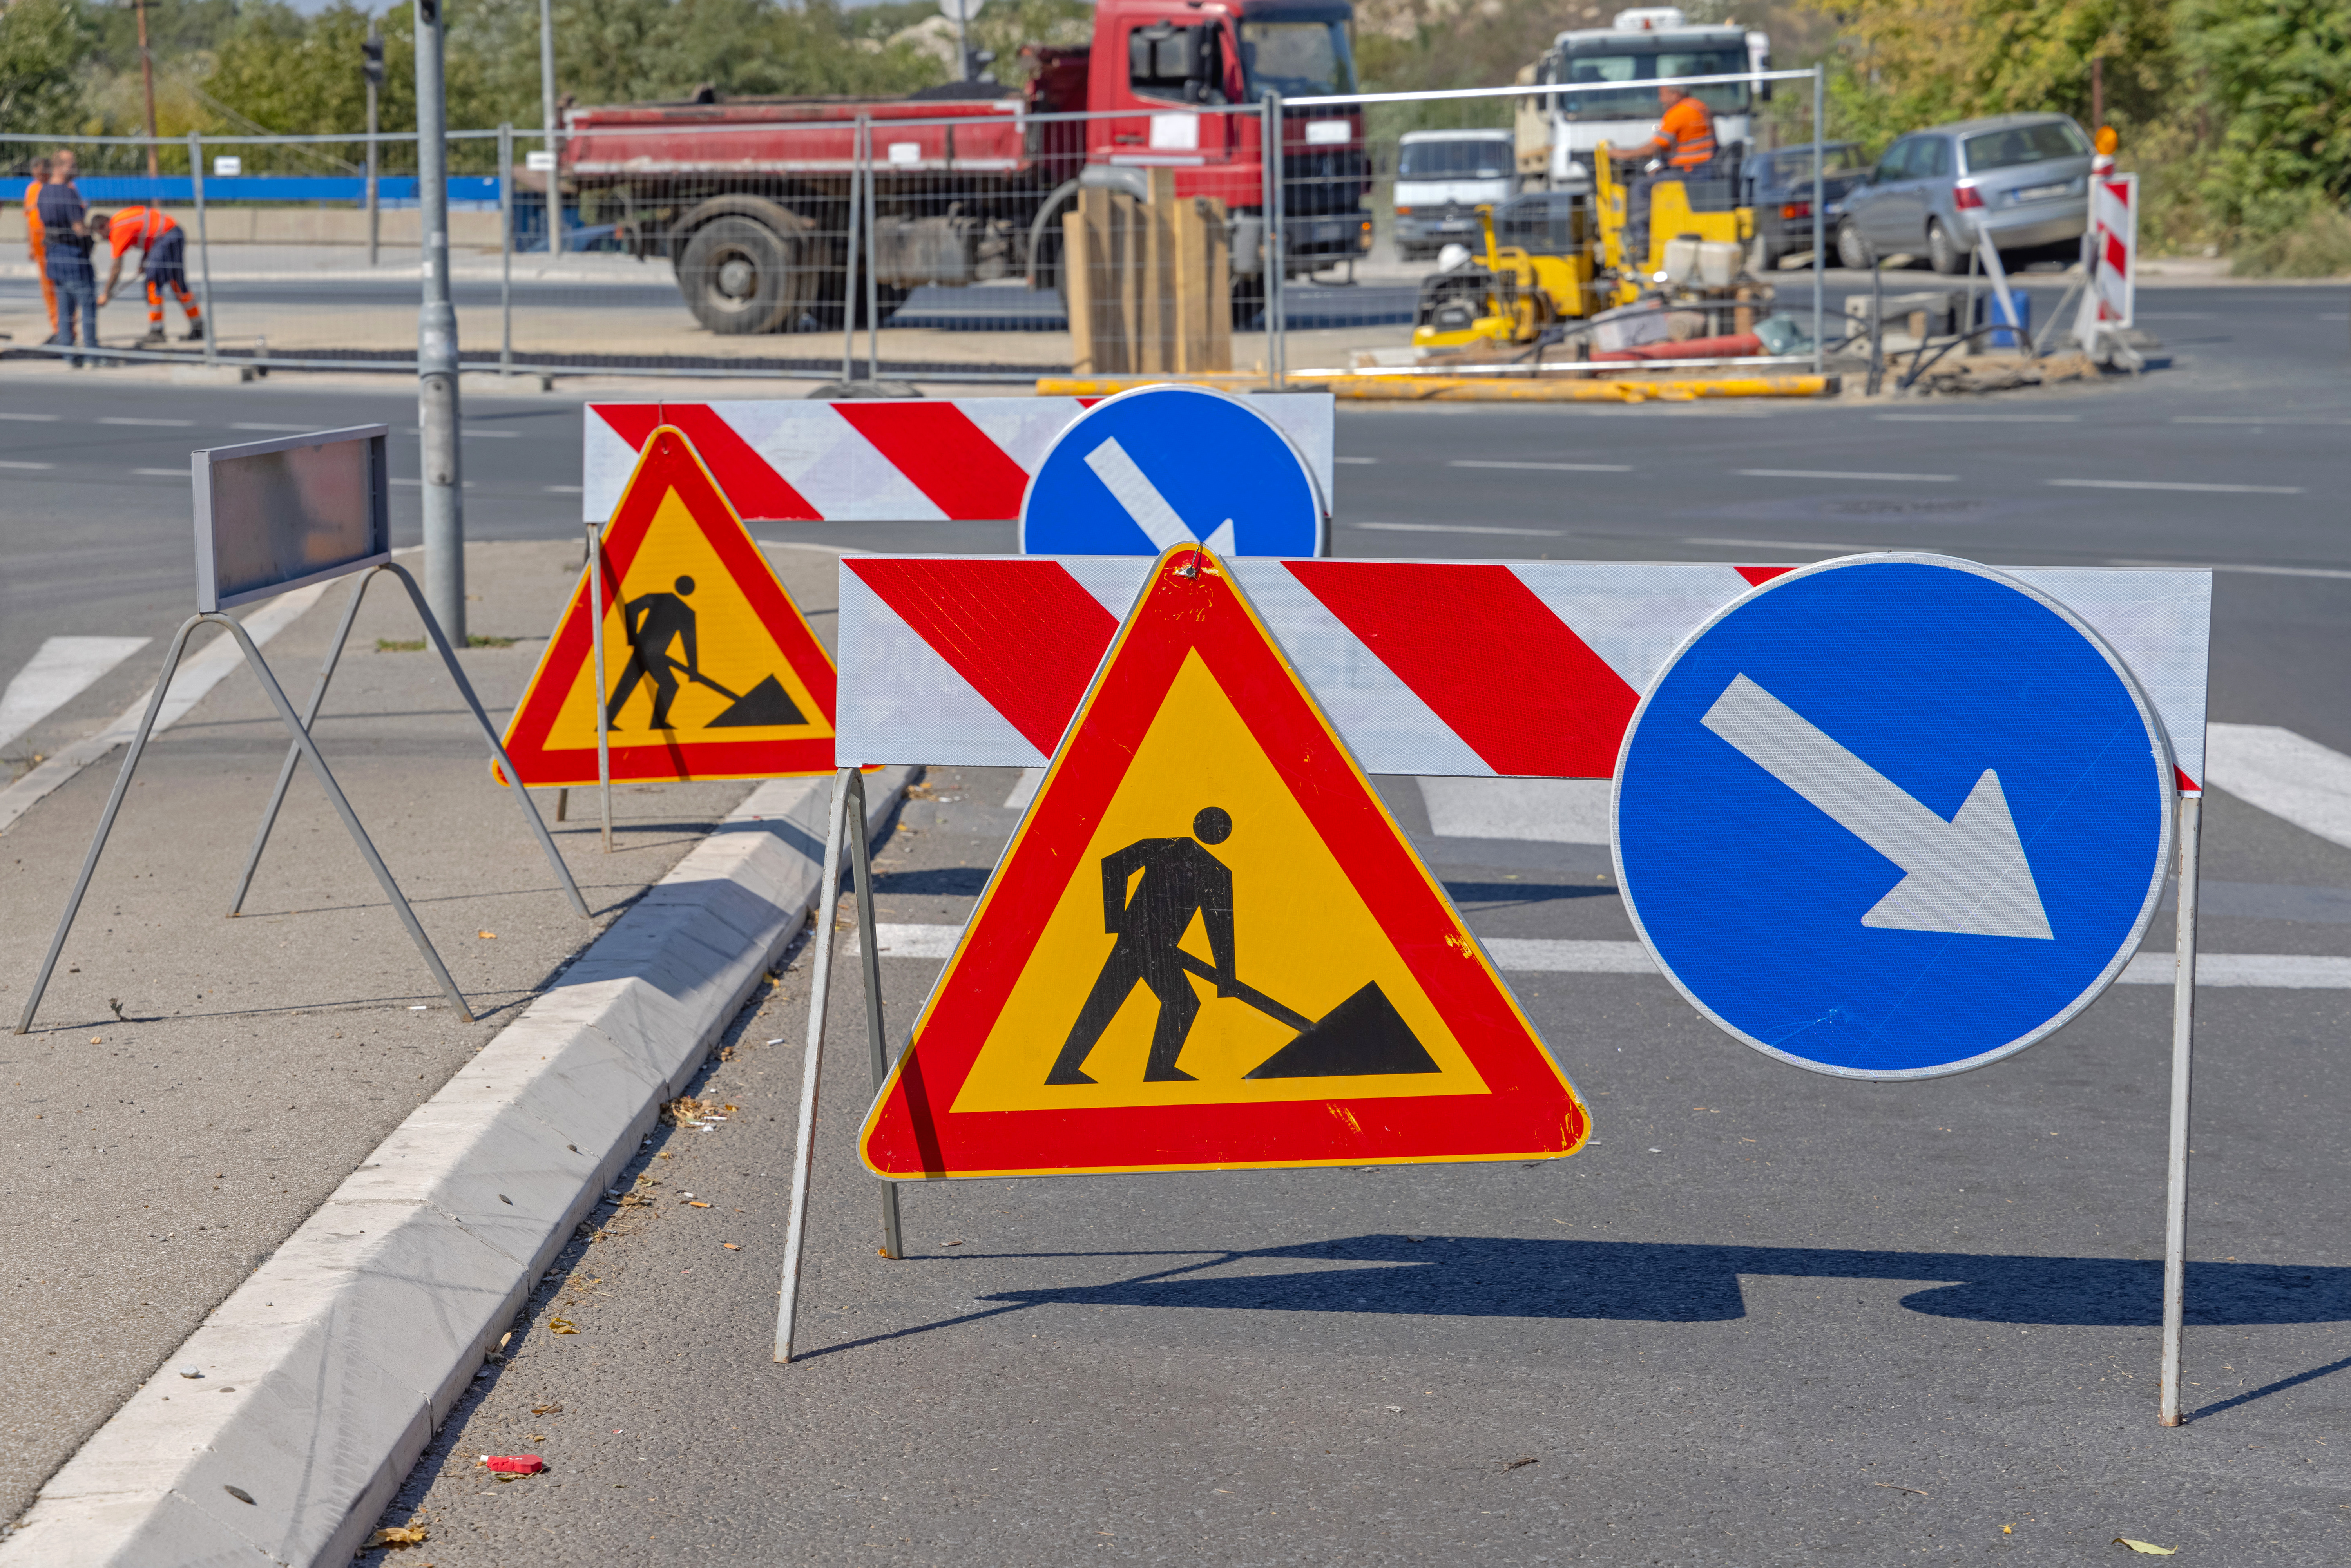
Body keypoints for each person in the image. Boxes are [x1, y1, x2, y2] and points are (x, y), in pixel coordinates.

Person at [1049, 806, 1237, 1086]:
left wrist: (1226, 977)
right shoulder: (1193, 860)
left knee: (1107, 1000)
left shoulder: (1203, 865)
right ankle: (1159, 1071)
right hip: (1147, 944)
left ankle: (1066, 1069)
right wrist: (1115, 923)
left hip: (1150, 944)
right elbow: (1114, 865)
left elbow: (1220, 926)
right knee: (1181, 1003)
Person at [1609, 82, 1717, 272]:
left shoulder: (1680, 112)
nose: (1660, 100)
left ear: (1675, 94)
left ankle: (1641, 243)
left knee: (1640, 187)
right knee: (1653, 177)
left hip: (1693, 172)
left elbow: (1654, 147)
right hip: (1700, 168)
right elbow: (1681, 144)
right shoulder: (1698, 106)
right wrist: (1661, 166)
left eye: (1663, 95)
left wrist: (1621, 154)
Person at [96, 202, 204, 345]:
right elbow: (149, 232)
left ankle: (157, 331)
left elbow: (116, 267)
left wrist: (106, 293)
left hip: (165, 238)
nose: (103, 238)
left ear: (104, 225)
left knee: (153, 283)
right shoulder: (121, 219)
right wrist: (144, 261)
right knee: (177, 283)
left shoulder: (117, 229)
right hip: (173, 233)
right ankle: (198, 326)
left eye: (100, 234)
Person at [605, 575, 703, 730]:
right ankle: (654, 724)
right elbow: (690, 643)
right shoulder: (685, 611)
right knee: (649, 684)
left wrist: (634, 638)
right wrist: (693, 670)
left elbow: (689, 642)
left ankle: (610, 723)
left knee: (631, 683)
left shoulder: (664, 601)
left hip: (653, 654)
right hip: (652, 654)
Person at [36, 149, 98, 367]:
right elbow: (79, 228)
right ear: (60, 166)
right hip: (74, 258)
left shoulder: (43, 192)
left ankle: (70, 356)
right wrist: (91, 236)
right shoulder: (68, 193)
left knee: (65, 310)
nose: (76, 168)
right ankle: (92, 354)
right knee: (88, 307)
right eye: (73, 165)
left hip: (54, 258)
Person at [23, 156, 56, 340]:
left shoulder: (57, 187)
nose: (37, 175)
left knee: (59, 287)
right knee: (47, 288)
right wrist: (30, 246)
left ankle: (65, 328)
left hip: (54, 245)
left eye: (40, 171)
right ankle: (56, 326)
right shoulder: (32, 188)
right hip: (39, 247)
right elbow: (28, 218)